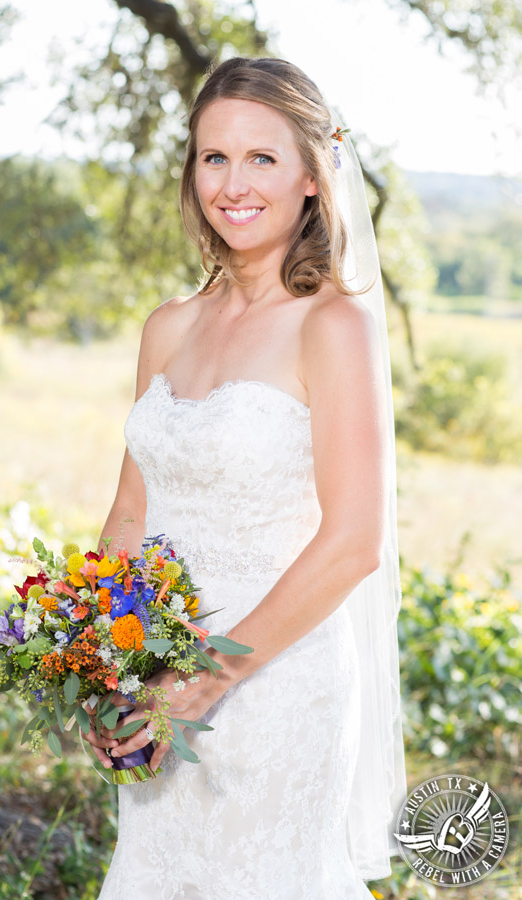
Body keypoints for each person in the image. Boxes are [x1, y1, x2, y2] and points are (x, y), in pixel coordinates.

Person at [87, 55, 407, 899]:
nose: (233, 182)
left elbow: (354, 543)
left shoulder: (332, 326)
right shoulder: (168, 326)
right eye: (212, 156)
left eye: (262, 158)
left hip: (275, 685)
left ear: (311, 174)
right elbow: (131, 509)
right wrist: (105, 667)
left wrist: (209, 681)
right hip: (156, 679)